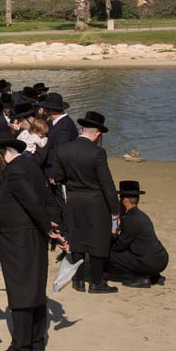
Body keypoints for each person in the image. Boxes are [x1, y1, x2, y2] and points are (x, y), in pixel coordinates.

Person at [0, 137, 64, 351]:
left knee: (20, 290)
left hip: (19, 238)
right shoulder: (32, 166)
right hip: (32, 236)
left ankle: (21, 348)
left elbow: (31, 202)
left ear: (2, 153)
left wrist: (49, 228)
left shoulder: (16, 171)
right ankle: (37, 341)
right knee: (35, 287)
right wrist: (53, 223)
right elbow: (48, 198)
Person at [52, 111, 120, 293]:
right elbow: (107, 183)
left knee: (78, 239)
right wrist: (116, 209)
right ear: (98, 134)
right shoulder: (97, 153)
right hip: (95, 200)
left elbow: (57, 176)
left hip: (74, 199)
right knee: (98, 240)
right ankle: (96, 282)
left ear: (82, 129)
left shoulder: (63, 149)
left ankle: (79, 280)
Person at [106, 181, 169, 287]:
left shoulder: (130, 219)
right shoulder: (142, 215)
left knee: (110, 253)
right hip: (161, 258)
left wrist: (113, 234)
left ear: (125, 200)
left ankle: (139, 278)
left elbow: (119, 246)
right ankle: (154, 276)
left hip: (150, 262)